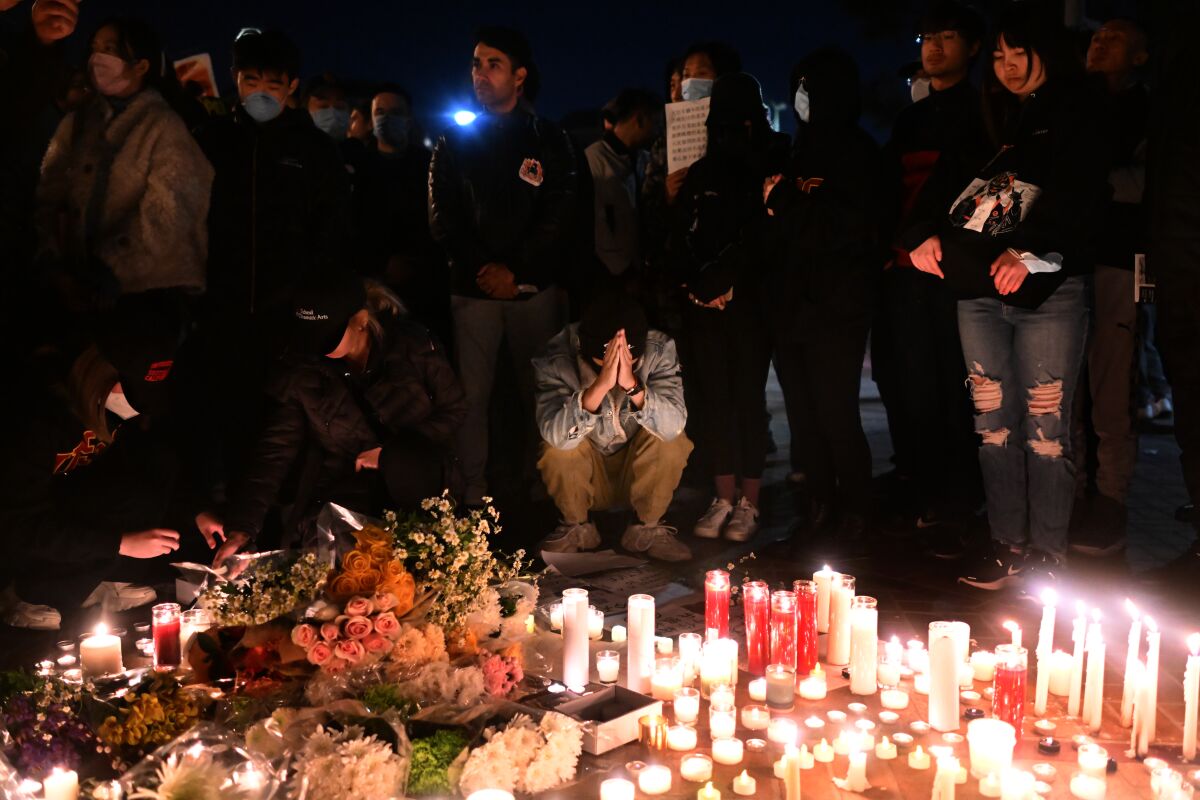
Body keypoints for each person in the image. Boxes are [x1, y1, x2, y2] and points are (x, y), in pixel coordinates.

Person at [905, 6, 1112, 589]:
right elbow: (945, 183)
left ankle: (1048, 556)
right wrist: (917, 235)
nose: (1007, 65)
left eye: (1017, 52)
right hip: (976, 290)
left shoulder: (1078, 108)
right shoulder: (987, 114)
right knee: (992, 423)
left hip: (1050, 290)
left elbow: (1083, 196)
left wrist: (1033, 252)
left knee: (1046, 426)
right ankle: (1007, 546)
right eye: (997, 55)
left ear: (1046, 50)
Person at [204, 276, 467, 565]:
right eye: (311, 335)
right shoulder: (304, 370)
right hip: (346, 492)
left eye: (328, 334)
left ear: (360, 320)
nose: (319, 346)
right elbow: (275, 450)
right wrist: (242, 529)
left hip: (417, 484)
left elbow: (453, 411)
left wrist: (392, 456)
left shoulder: (412, 347)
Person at [196, 29, 352, 489]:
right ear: (234, 81)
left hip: (287, 314)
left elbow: (334, 233)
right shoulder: (214, 139)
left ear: (290, 86)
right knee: (222, 415)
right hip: (220, 307)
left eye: (271, 83)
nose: (259, 93)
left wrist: (314, 307)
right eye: (249, 81)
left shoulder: (315, 150)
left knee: (282, 423)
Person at [429, 25, 577, 506]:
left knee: (545, 393)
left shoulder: (548, 137)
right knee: (469, 398)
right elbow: (443, 217)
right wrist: (484, 269)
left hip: (532, 289)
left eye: (493, 63)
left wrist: (513, 267)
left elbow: (558, 211)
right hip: (472, 291)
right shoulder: (453, 141)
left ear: (519, 75)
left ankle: (549, 488)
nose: (480, 73)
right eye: (475, 63)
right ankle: (472, 493)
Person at [0, 317, 194, 630]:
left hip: (75, 508)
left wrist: (196, 510)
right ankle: (31, 593)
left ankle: (102, 580)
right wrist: (119, 543)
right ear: (102, 376)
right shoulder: (36, 422)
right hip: (28, 538)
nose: (137, 407)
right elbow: (17, 525)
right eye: (132, 393)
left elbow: (144, 472)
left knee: (159, 463)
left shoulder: (115, 411)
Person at [876, 0, 988, 535]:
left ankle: (959, 495)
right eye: (926, 38)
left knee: (954, 384)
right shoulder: (909, 119)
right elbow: (888, 191)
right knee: (909, 382)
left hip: (955, 268)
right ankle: (918, 484)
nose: (934, 47)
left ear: (973, 46)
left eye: (947, 37)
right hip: (903, 266)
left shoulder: (985, 110)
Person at [764, 48, 882, 541]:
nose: (801, 98)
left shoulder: (858, 152)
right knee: (802, 414)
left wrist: (784, 201)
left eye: (811, 87)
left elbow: (841, 230)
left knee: (836, 411)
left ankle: (856, 507)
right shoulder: (796, 150)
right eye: (798, 87)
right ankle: (817, 503)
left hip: (836, 306)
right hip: (791, 306)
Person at [34, 17, 213, 318]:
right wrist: (52, 258)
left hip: (142, 301)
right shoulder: (77, 123)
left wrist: (111, 268)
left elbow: (169, 213)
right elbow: (48, 192)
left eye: (110, 49)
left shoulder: (164, 127)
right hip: (72, 291)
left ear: (141, 65)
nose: (97, 58)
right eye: (94, 48)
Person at [669, 72, 783, 543]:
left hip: (748, 305)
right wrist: (694, 282)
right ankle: (722, 496)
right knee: (713, 401)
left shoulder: (768, 165)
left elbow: (762, 236)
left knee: (747, 403)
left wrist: (726, 279)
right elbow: (679, 232)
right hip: (703, 306)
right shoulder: (701, 171)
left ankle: (749, 501)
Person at [1068, 18, 1149, 558]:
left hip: (1120, 256)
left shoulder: (1148, 110)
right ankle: (1072, 493)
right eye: (1097, 36)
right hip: (1070, 257)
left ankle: (1110, 500)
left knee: (1111, 382)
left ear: (1141, 55)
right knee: (1069, 382)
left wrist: (1086, 185)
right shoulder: (1075, 104)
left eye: (1116, 37)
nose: (1100, 42)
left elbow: (1143, 183)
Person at [534, 293, 692, 560]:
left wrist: (632, 386)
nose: (616, 365)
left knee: (672, 440)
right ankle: (577, 527)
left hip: (638, 472)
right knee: (557, 446)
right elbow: (556, 436)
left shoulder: (659, 348)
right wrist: (599, 386)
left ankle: (646, 529)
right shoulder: (557, 357)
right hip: (587, 475)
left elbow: (673, 425)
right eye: (604, 362)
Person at [354, 84, 448, 344]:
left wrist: (415, 262)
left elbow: (438, 221)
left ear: (409, 119)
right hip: (373, 282)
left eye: (395, 112)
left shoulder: (429, 164)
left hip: (423, 282)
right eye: (380, 112)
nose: (386, 118)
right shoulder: (361, 166)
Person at [581, 88, 660, 295]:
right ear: (640, 119)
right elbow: (597, 225)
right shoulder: (594, 159)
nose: (657, 130)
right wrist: (623, 272)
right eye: (655, 122)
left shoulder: (643, 159)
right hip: (608, 278)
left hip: (637, 272)